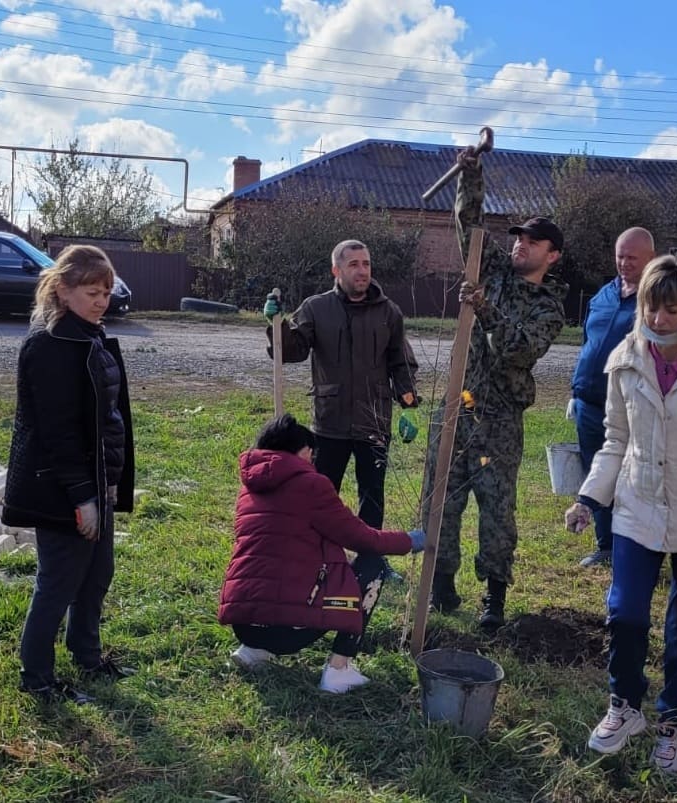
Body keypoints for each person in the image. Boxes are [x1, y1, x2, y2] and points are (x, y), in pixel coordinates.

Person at [424, 145, 568, 628]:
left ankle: (494, 598)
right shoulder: (493, 273)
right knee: (440, 497)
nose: (519, 245)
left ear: (552, 255)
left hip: (499, 420)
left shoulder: (549, 308)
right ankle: (440, 585)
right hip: (457, 406)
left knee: (496, 509)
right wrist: (472, 174)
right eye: (518, 239)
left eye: (531, 242)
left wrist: (484, 309)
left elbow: (518, 349)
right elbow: (469, 223)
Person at [565, 255, 677, 773]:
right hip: (639, 503)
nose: (659, 320)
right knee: (626, 611)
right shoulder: (625, 357)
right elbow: (616, 439)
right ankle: (625, 706)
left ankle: (675, 722)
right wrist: (589, 498)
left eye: (672, 309)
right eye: (651, 308)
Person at [1, 244, 135, 704]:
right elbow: (56, 432)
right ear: (62, 289)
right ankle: (36, 676)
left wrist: (106, 485)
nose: (102, 300)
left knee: (97, 574)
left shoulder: (89, 335)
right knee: (58, 582)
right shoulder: (51, 344)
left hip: (97, 480)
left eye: (105, 291)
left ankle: (87, 654)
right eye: (91, 291)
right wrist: (83, 497)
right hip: (62, 487)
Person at [218, 413, 425, 693]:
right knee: (372, 566)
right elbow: (361, 538)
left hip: (244, 622)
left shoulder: (249, 488)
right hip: (288, 631)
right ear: (299, 450)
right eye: (309, 452)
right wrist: (409, 541)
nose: (313, 458)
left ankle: (254, 650)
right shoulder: (310, 485)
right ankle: (339, 669)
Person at [264, 240, 418, 576]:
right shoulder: (316, 308)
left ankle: (370, 561)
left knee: (372, 496)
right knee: (321, 494)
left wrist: (408, 404)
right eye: (353, 265)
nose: (362, 271)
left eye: (366, 264)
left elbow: (401, 361)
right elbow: (291, 351)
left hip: (373, 421)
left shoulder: (388, 312)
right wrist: (277, 327)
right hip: (329, 422)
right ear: (337, 270)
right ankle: (314, 556)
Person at [569, 227, 656, 567]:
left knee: (629, 478)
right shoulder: (604, 295)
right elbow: (587, 345)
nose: (624, 263)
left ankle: (634, 547)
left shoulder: (655, 301)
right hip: (589, 403)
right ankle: (604, 545)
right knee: (596, 470)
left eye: (632, 257)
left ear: (651, 257)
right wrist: (575, 390)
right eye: (620, 256)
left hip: (631, 406)